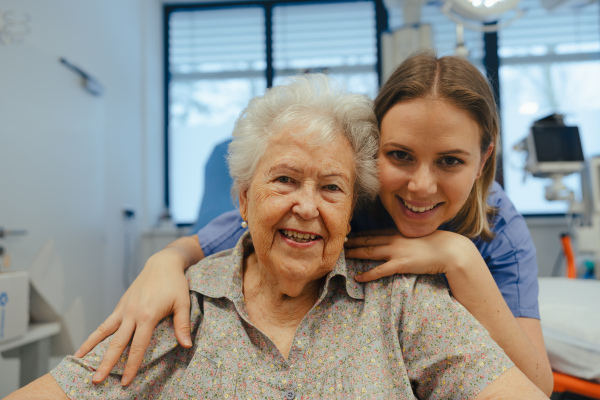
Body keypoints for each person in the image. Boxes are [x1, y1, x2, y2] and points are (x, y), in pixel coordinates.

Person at [6, 73, 546, 399]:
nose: (305, 207)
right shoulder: (188, 305)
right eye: (284, 180)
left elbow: (522, 385)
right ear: (243, 197)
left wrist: (459, 256)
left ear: (353, 204)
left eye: (331, 187)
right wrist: (162, 264)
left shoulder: (403, 298)